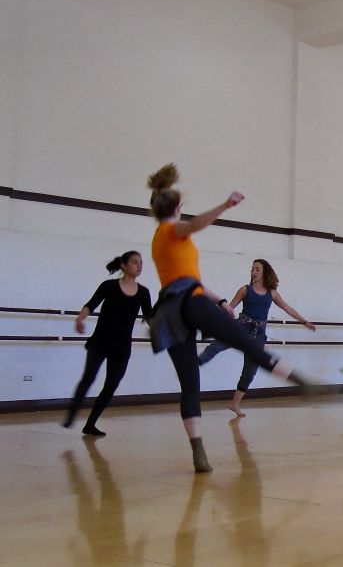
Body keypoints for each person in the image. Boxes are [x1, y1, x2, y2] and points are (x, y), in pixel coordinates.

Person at [145, 163, 314, 472]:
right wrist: (225, 205)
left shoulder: (158, 238)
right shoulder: (173, 229)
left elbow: (185, 279)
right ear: (178, 206)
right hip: (190, 303)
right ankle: (297, 379)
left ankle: (199, 452)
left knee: (189, 385)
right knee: (244, 341)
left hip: (169, 311)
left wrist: (221, 299)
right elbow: (194, 226)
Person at [197, 259, 316, 416]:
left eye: (257, 269)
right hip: (240, 327)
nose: (253, 272)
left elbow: (288, 308)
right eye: (252, 269)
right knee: (217, 345)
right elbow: (229, 307)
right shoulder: (245, 290)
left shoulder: (272, 293)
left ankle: (235, 404)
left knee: (250, 370)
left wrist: (305, 321)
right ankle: (195, 363)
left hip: (259, 334)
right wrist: (211, 319)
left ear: (265, 272)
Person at [63, 252, 154, 436]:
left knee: (111, 385)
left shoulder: (143, 292)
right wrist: (80, 319)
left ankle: (90, 424)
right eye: (135, 262)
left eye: (141, 263)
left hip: (121, 347)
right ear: (123, 265)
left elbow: (149, 315)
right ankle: (71, 414)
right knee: (88, 378)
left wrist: (154, 328)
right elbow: (91, 304)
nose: (139, 266)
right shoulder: (109, 286)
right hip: (101, 341)